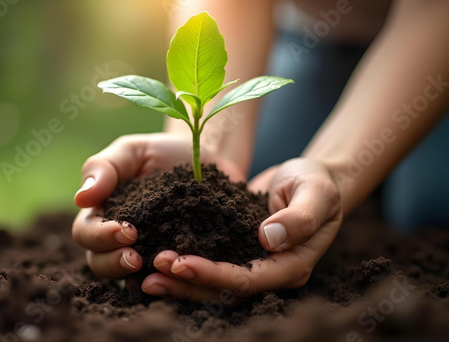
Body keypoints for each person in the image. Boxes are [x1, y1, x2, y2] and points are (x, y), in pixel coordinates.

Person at [72, 0, 449, 302]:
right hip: (308, 37)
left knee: (430, 205)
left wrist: (337, 169)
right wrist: (211, 142)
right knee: (265, 184)